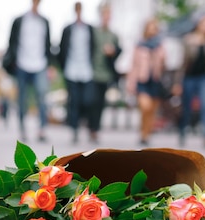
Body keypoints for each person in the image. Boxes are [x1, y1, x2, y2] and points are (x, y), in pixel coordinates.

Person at [3, 0, 52, 143]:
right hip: (22, 64)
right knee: (22, 99)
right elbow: (11, 41)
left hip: (40, 64)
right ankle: (22, 129)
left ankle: (42, 129)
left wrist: (50, 65)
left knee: (42, 97)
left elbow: (48, 44)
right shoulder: (19, 20)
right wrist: (13, 62)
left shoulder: (45, 21)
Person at [173, 15, 205, 148]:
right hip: (189, 77)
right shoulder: (188, 39)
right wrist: (177, 82)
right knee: (186, 108)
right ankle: (182, 133)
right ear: (199, 25)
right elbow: (182, 62)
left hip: (204, 77)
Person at [58, 1, 96, 144]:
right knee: (73, 101)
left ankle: (86, 125)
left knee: (87, 100)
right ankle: (74, 130)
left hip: (86, 70)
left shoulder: (89, 29)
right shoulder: (68, 29)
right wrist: (63, 67)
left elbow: (93, 47)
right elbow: (61, 49)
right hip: (71, 70)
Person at [126, 18, 167, 147]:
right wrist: (130, 84)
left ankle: (146, 135)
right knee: (145, 107)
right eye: (150, 27)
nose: (152, 30)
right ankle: (143, 131)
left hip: (155, 80)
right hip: (142, 80)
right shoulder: (139, 45)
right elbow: (133, 65)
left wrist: (160, 57)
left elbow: (165, 65)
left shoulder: (160, 46)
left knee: (152, 111)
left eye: (154, 28)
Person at [90, 2, 121, 143]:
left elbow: (119, 51)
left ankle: (95, 129)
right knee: (91, 100)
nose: (107, 17)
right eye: (105, 14)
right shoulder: (93, 32)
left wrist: (113, 52)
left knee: (100, 102)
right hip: (92, 72)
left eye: (109, 15)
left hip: (105, 74)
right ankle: (91, 125)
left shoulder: (113, 35)